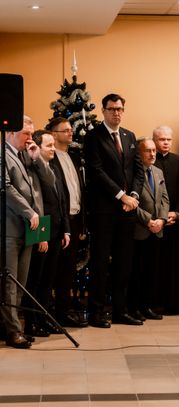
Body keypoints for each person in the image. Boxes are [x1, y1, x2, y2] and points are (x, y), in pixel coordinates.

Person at [84, 93, 145, 328]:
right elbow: (96, 172)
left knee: (124, 263)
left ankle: (120, 311)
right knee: (100, 262)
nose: (116, 113)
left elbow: (138, 171)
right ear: (103, 111)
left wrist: (134, 196)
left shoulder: (129, 136)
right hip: (104, 211)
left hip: (127, 210)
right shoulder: (93, 137)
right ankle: (97, 312)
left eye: (119, 109)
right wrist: (121, 195)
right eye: (111, 109)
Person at [2, 116, 54, 348]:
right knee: (10, 283)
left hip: (29, 229)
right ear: (11, 133)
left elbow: (49, 182)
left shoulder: (26, 155)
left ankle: (14, 328)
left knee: (21, 282)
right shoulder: (3, 154)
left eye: (32, 134)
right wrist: (29, 212)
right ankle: (13, 331)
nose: (30, 139)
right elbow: (6, 187)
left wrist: (37, 158)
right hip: (10, 228)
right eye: (26, 134)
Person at [23, 130, 70, 338]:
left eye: (53, 145)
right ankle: (31, 322)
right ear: (37, 148)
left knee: (48, 280)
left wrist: (66, 229)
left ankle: (44, 319)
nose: (53, 149)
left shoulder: (54, 168)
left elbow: (62, 201)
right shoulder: (33, 169)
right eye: (49, 145)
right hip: (42, 230)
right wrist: (42, 234)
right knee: (36, 279)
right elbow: (37, 203)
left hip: (57, 230)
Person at [46, 117, 88, 328]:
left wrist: (82, 223)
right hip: (58, 222)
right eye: (66, 130)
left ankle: (64, 312)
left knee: (68, 270)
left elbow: (79, 191)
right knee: (52, 270)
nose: (71, 132)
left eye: (71, 129)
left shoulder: (73, 157)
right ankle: (49, 314)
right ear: (54, 134)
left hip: (75, 220)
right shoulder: (50, 158)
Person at [128, 139, 169, 322]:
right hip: (139, 230)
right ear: (139, 153)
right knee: (136, 272)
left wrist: (162, 219)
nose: (152, 154)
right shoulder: (131, 173)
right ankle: (134, 308)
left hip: (157, 229)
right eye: (147, 151)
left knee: (151, 272)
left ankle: (147, 307)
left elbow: (165, 199)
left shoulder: (158, 171)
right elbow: (130, 202)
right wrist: (148, 221)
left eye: (154, 150)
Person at [153, 125, 179, 314]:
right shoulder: (148, 160)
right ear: (155, 140)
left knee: (175, 264)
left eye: (168, 139)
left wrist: (177, 213)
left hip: (175, 221)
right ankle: (154, 304)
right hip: (155, 222)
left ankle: (173, 304)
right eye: (161, 139)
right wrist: (160, 217)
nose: (166, 142)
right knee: (156, 263)